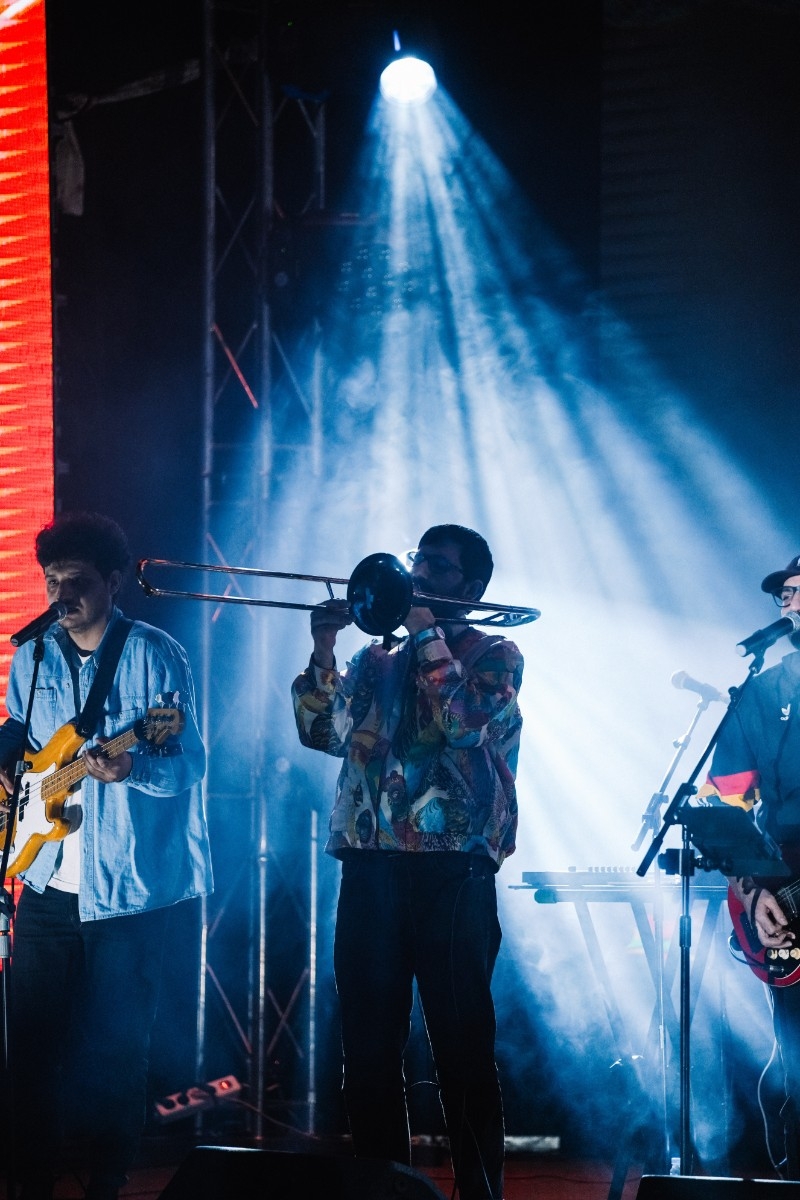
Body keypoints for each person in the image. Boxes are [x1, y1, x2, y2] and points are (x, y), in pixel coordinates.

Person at [291, 524, 524, 1200]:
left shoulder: (496, 654)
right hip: (370, 865)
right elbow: (320, 733)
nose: (418, 573)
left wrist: (425, 633)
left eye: (437, 567)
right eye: (418, 560)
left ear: (470, 588)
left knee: (462, 1046)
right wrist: (325, 648)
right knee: (366, 1048)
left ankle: (480, 1194)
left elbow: (462, 723)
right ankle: (382, 1192)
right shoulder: (375, 658)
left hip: (453, 870)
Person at [0, 511, 213, 1200]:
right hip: (44, 880)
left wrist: (132, 769)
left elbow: (188, 761)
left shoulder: (153, 654)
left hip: (127, 889)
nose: (61, 596)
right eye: (52, 582)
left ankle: (108, 1182)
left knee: (118, 1047)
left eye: (78, 582)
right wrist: (6, 764)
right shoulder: (32, 654)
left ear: (114, 582)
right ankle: (30, 1181)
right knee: (31, 1045)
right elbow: (19, 731)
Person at [697, 553, 800, 1178]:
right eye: (785, 593)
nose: (790, 602)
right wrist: (750, 883)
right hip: (782, 884)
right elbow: (726, 800)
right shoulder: (764, 691)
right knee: (794, 1056)